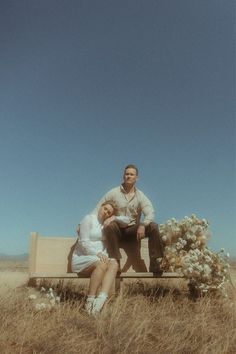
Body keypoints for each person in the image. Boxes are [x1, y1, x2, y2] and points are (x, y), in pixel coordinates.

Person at [95, 164, 164, 275]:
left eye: (131, 174)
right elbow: (99, 208)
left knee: (153, 226)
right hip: (116, 232)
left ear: (137, 178)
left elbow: (150, 212)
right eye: (127, 174)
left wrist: (143, 224)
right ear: (123, 176)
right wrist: (85, 222)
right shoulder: (113, 192)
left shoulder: (140, 196)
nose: (129, 176)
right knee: (110, 225)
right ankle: (115, 263)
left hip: (132, 232)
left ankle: (155, 263)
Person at [71, 201, 130, 315]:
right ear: (100, 207)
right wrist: (97, 253)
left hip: (100, 257)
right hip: (83, 256)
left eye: (109, 212)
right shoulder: (89, 219)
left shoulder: (106, 224)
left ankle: (99, 303)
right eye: (105, 209)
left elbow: (126, 221)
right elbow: (83, 242)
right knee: (101, 264)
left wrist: (114, 218)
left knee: (114, 264)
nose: (106, 213)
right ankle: (89, 303)